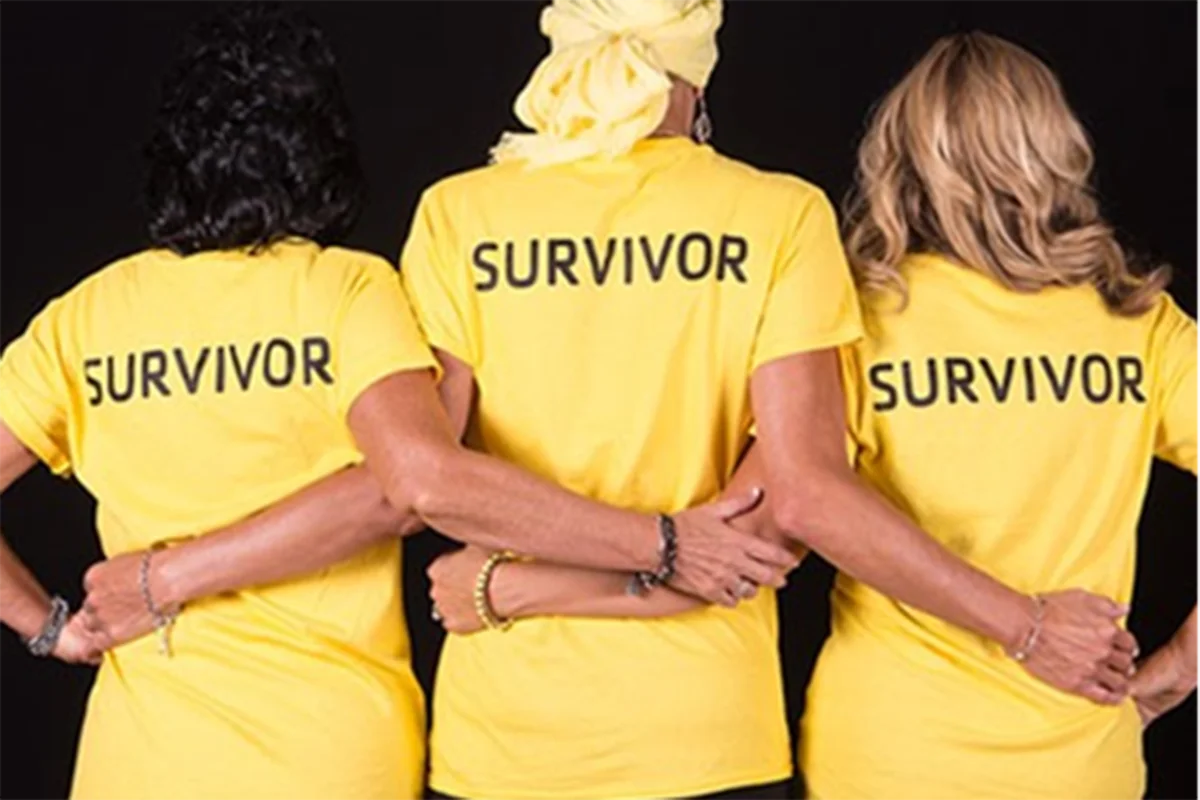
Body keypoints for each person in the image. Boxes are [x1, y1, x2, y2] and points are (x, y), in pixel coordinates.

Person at [80, 4, 1136, 800]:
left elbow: (426, 481)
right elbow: (780, 513)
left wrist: (516, 583)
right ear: (695, 72)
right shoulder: (778, 215)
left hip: (503, 741)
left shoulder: (460, 213)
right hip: (711, 731)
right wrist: (668, 543)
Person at [0, 3, 798, 799]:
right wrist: (656, 544)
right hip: (341, 753)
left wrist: (57, 626)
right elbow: (408, 483)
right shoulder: (350, 294)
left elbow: (414, 485)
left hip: (143, 761)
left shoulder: (85, 318)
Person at [787, 32, 1199, 799]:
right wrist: (1174, 672)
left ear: (901, 159)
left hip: (886, 757)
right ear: (1056, 149)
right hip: (1081, 765)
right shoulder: (1140, 323)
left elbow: (806, 501)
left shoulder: (849, 316)